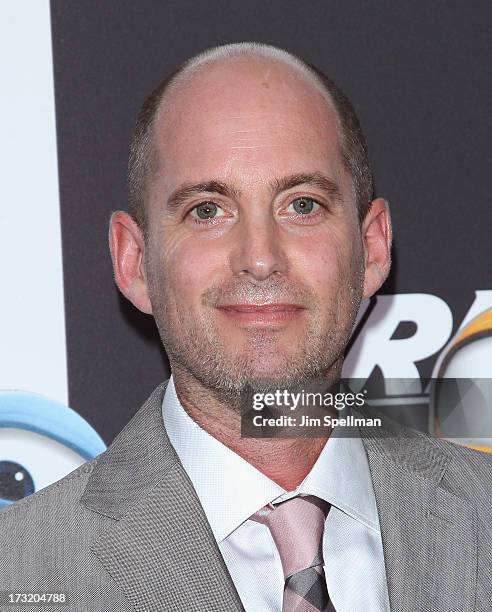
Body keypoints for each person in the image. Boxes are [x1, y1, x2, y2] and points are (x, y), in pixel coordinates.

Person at [1, 42, 491, 612]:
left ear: (373, 246)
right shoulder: (21, 573)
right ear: (134, 261)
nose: (260, 257)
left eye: (302, 205)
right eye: (207, 210)